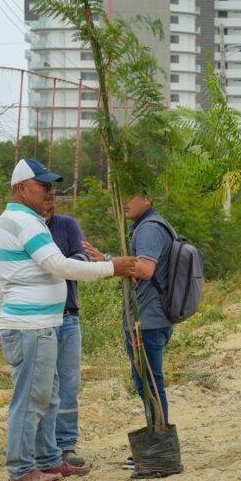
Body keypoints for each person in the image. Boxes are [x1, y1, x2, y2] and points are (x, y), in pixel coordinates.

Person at [0, 159, 137, 481]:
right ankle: (21, 470)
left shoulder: (23, 220)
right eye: (44, 187)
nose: (51, 193)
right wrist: (111, 267)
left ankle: (48, 459)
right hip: (31, 326)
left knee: (49, 395)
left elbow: (4, 279)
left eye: (53, 187)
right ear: (22, 188)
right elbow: (58, 265)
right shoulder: (23, 223)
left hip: (40, 324)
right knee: (31, 398)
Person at [86, 190, 177, 446]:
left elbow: (146, 270)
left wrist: (109, 263)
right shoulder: (152, 224)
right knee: (148, 383)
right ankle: (157, 441)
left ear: (148, 198)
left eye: (131, 195)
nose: (125, 201)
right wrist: (107, 261)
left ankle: (159, 444)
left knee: (149, 384)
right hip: (152, 318)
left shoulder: (148, 228)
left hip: (147, 320)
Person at [42, 203, 92, 469]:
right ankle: (44, 448)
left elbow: (82, 259)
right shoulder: (25, 228)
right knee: (44, 387)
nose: (48, 203)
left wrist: (62, 266)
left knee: (69, 385)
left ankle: (66, 445)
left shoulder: (67, 225)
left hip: (68, 316)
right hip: (38, 320)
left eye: (52, 196)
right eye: (44, 195)